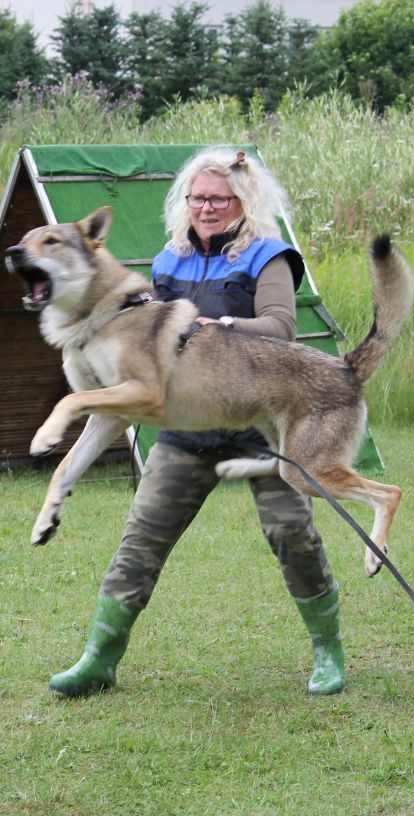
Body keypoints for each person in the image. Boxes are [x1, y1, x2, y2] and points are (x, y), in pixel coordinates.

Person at [48, 147, 346, 699]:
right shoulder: (169, 261)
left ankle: (327, 648)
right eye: (197, 197)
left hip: (261, 425)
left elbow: (282, 329)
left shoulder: (268, 255)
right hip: (185, 428)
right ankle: (98, 657)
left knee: (291, 533)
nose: (205, 207)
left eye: (217, 198)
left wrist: (222, 323)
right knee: (142, 537)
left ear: (242, 201)